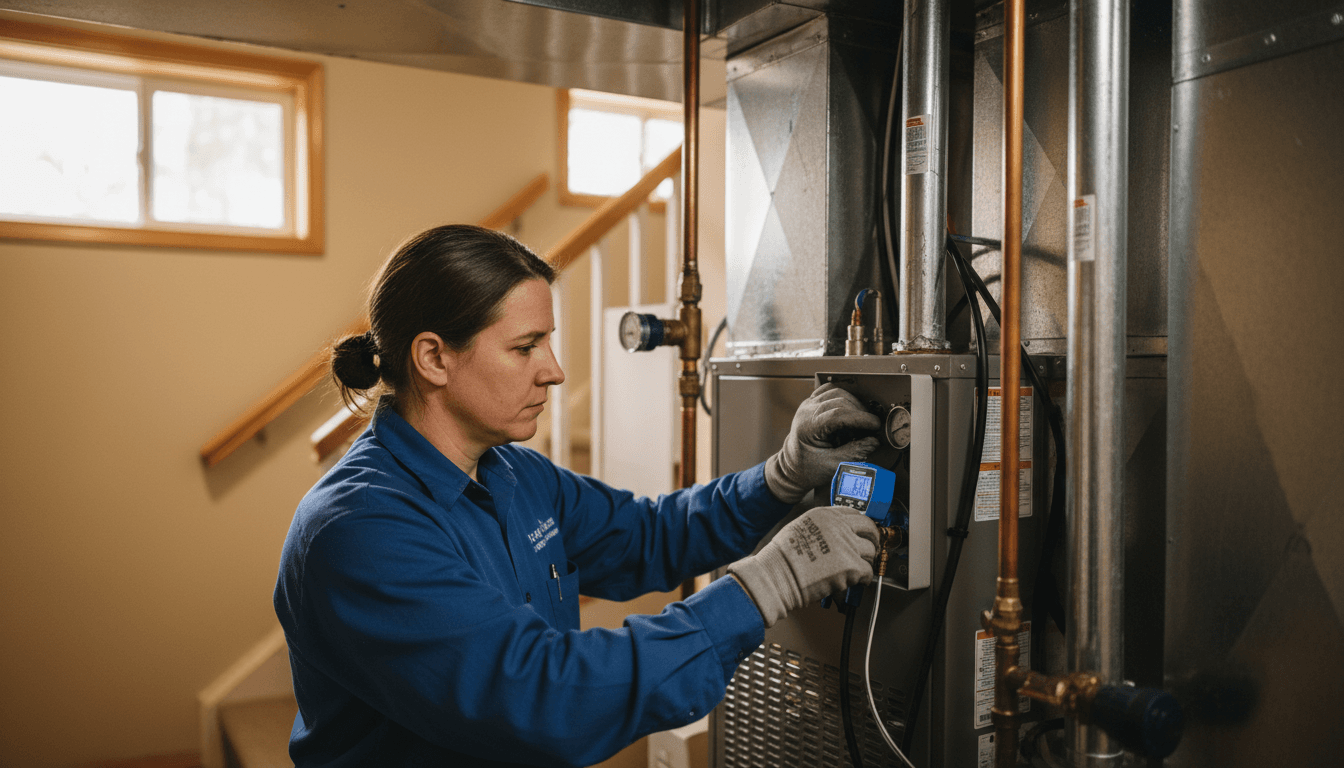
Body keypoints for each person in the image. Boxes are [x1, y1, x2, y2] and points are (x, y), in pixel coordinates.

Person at [274, 224, 885, 767]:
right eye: (525, 347)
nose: (555, 370)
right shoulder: (360, 529)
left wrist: (782, 475)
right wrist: (770, 582)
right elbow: (548, 697)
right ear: (434, 357)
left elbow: (648, 535)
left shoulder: (514, 473)